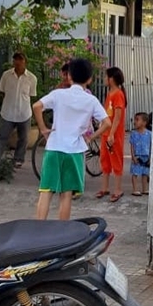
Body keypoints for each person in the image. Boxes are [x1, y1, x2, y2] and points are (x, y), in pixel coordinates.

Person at [32, 58, 110, 220]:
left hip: (54, 148)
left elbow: (37, 106)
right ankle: (62, 233)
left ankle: (37, 231)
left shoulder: (58, 94)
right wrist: (90, 137)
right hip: (74, 151)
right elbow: (106, 123)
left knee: (46, 191)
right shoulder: (91, 100)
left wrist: (43, 129)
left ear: (69, 77)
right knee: (66, 194)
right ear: (89, 79)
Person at [0, 52, 38, 167]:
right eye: (15, 60)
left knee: (23, 138)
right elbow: (2, 91)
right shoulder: (6, 75)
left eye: (20, 60)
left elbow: (32, 96)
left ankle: (18, 159)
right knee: (2, 136)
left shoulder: (32, 78)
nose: (18, 62)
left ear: (25, 62)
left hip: (24, 113)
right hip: (7, 112)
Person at [96, 66, 127, 202]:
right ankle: (105, 187)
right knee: (105, 160)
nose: (104, 79)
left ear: (111, 79)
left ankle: (118, 189)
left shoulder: (118, 94)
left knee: (116, 160)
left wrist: (112, 134)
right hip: (107, 133)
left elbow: (118, 116)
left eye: (106, 76)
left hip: (113, 134)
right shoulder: (110, 93)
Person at [129, 112, 151, 196]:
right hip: (137, 156)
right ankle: (135, 189)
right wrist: (133, 156)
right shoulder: (133, 134)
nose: (135, 122)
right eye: (135, 120)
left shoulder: (149, 134)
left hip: (146, 156)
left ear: (144, 122)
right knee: (135, 173)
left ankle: (144, 189)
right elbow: (132, 145)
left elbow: (150, 145)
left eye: (137, 120)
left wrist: (150, 157)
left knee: (145, 174)